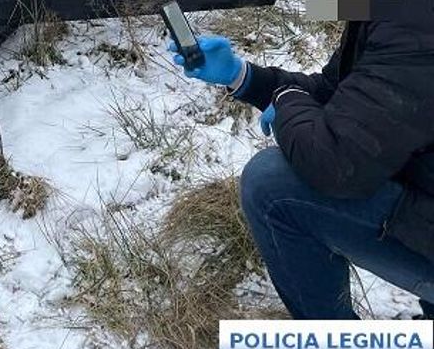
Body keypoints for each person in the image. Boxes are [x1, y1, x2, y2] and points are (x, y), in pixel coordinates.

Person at [176, 27, 434, 320]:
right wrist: (241, 76)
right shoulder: (397, 5)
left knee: (271, 186)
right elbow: (337, 91)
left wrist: (286, 100)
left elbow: (334, 165)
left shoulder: (412, 24)